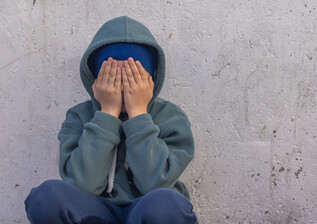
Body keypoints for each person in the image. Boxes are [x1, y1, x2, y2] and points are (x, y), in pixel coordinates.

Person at [24, 16, 198, 224]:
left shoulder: (171, 117)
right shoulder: (79, 116)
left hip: (147, 210)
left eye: (135, 78)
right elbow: (83, 183)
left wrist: (138, 114)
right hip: (94, 212)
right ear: (95, 81)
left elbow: (155, 184)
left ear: (151, 78)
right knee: (46, 197)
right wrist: (107, 113)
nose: (123, 86)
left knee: (168, 204)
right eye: (112, 78)